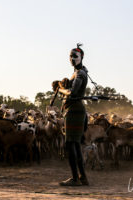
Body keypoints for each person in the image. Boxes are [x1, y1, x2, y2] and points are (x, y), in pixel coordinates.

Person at [52, 44, 89, 186]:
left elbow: (72, 93)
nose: (72, 59)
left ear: (81, 57)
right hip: (74, 110)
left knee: (70, 144)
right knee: (75, 144)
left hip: (74, 110)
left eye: (75, 56)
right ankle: (82, 178)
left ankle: (75, 179)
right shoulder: (79, 72)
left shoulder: (80, 74)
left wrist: (60, 89)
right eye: (70, 56)